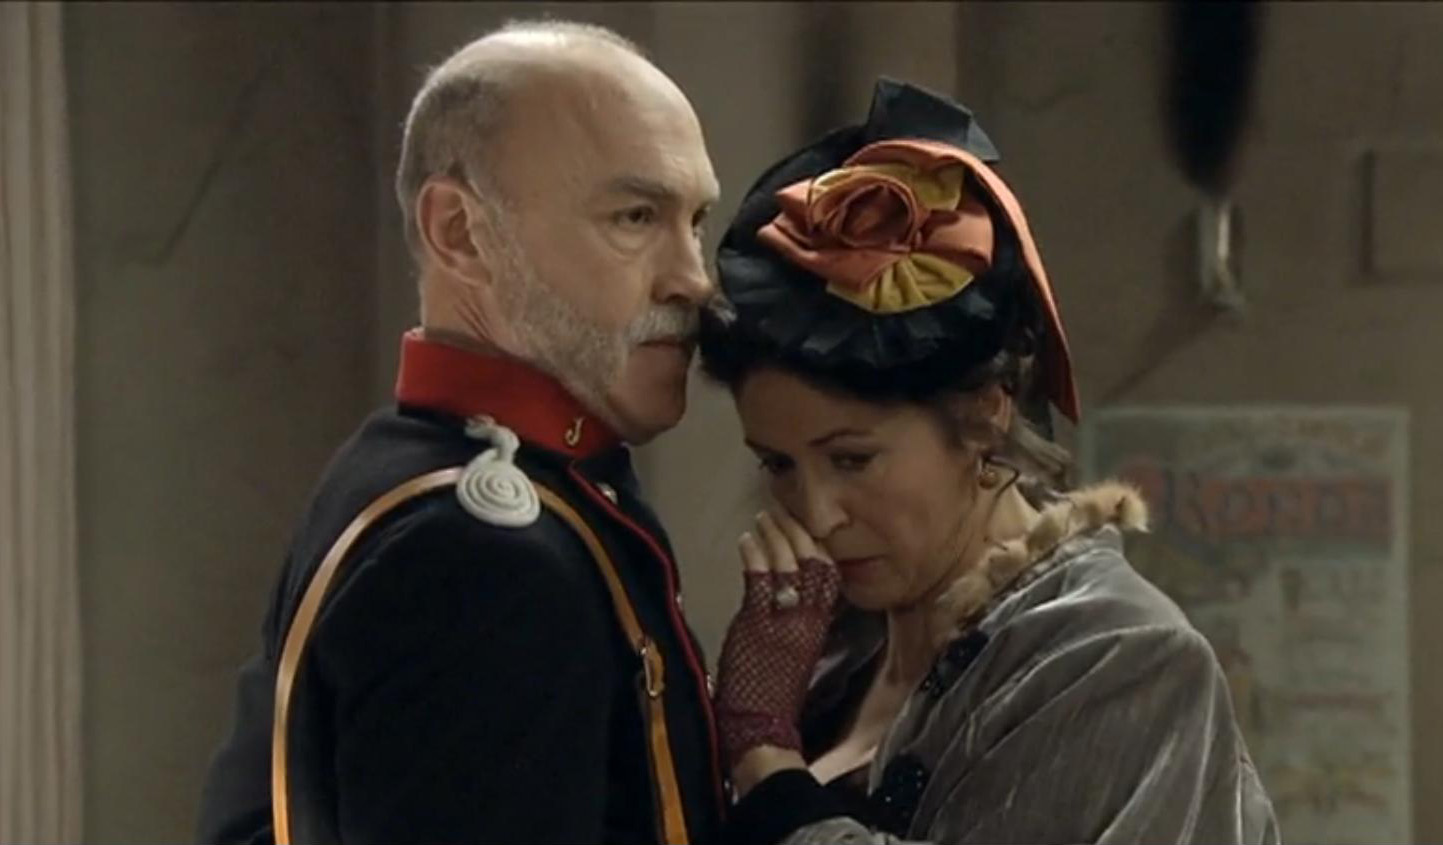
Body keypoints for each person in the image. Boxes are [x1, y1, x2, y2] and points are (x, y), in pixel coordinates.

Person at [697, 79, 1280, 845]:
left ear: (984, 410)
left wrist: (764, 758)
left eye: (851, 458)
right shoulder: (836, 654)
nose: (816, 513)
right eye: (778, 464)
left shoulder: (1115, 655)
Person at [196, 20, 725, 845]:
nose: (692, 277)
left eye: (695, 221)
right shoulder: (479, 556)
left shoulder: (422, 466)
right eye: (634, 217)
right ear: (460, 233)